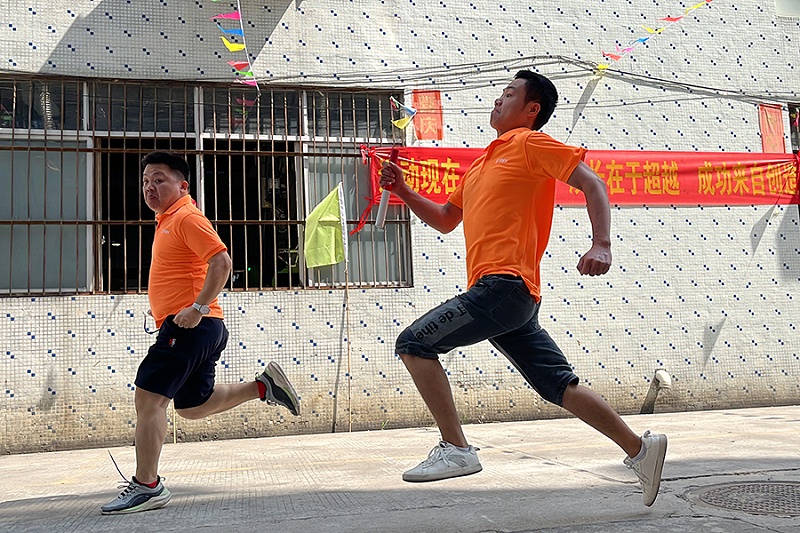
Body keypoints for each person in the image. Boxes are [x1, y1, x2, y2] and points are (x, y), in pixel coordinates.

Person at [379, 71, 667, 506]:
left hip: (505, 286)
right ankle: (640, 450)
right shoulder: (479, 165)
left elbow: (593, 183)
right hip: (509, 298)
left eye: (509, 94)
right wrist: (402, 189)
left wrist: (602, 244)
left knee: (414, 342)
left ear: (532, 110)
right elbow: (444, 219)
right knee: (559, 385)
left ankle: (457, 448)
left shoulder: (530, 144)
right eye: (500, 94)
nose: (499, 100)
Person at [101, 151, 301, 515]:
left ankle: (147, 485)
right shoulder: (167, 220)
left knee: (149, 400)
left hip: (192, 325)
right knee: (192, 406)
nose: (150, 187)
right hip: (196, 327)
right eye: (146, 181)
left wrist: (197, 307)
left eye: (160, 179)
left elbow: (221, 261)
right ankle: (263, 387)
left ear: (183, 185)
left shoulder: (186, 216)